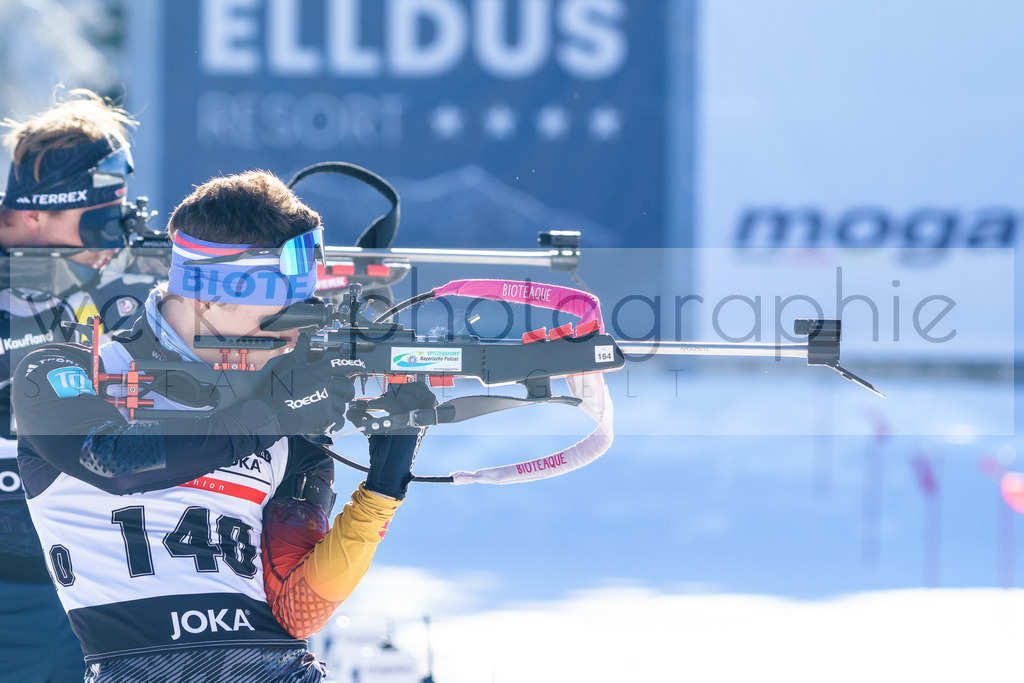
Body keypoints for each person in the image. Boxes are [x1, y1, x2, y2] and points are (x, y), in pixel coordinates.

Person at [14, 170, 433, 682]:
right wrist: (278, 412)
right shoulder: (66, 370)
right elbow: (115, 462)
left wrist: (381, 492)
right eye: (275, 315)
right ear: (208, 294)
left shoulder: (281, 405)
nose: (292, 330)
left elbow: (299, 609)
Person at [0, 88, 157, 682]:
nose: (113, 241)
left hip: (87, 578)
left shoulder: (118, 275)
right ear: (36, 211)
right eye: (97, 222)